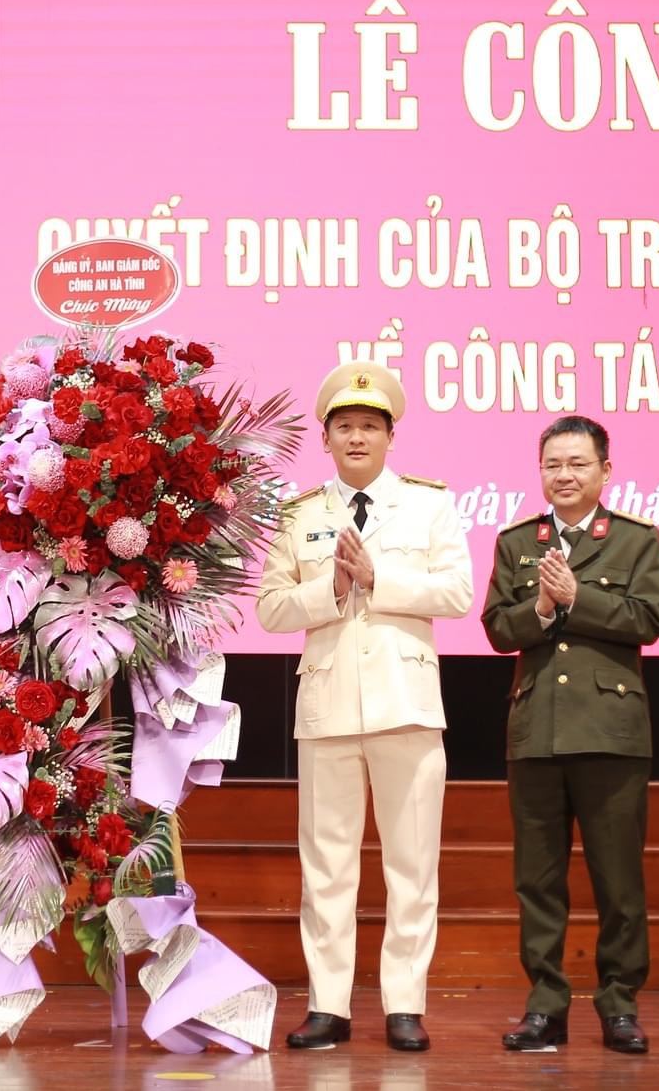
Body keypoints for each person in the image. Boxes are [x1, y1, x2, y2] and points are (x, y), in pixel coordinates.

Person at [257, 360, 474, 1054]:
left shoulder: (428, 504)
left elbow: (457, 592)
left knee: (412, 864)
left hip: (407, 705)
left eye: (370, 426)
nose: (357, 437)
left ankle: (405, 1003)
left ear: (390, 436)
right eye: (345, 426)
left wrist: (380, 578)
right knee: (327, 867)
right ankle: (328, 1004)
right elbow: (270, 607)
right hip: (327, 708)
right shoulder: (300, 514)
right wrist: (329, 588)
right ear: (325, 438)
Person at [482, 415, 659, 1055]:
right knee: (537, 881)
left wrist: (577, 597)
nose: (564, 475)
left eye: (578, 464)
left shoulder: (636, 540)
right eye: (553, 464)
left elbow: (649, 619)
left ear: (605, 471)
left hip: (612, 733)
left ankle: (620, 1006)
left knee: (619, 882)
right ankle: (545, 1006)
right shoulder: (516, 541)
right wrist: (539, 608)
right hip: (536, 731)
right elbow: (497, 628)